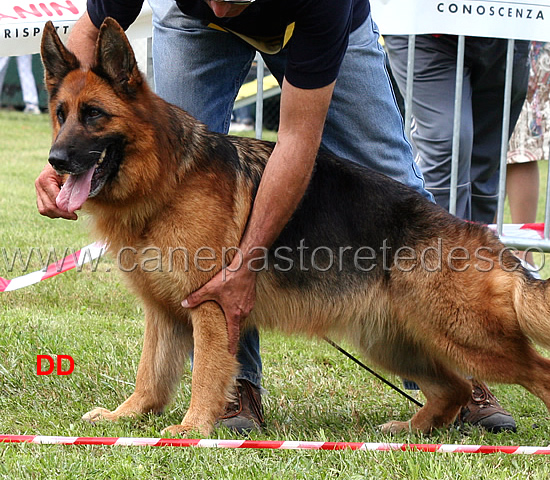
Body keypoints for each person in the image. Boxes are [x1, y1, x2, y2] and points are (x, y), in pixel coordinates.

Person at [35, 0, 434, 434]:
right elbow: (90, 33)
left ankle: (457, 378)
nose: (224, 9)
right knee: (181, 256)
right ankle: (232, 389)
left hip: (313, 21)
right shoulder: (202, 10)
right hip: (191, 23)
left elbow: (297, 141)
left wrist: (244, 265)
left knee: (386, 168)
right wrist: (60, 161)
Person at [385, 34, 530, 433]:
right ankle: (457, 368)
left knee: (484, 177)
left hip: (503, 29)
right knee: (446, 153)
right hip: (425, 26)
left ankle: (479, 340)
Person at [506, 41, 550, 268]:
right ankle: (485, 250)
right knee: (475, 151)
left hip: (525, 31)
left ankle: (524, 258)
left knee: (523, 148)